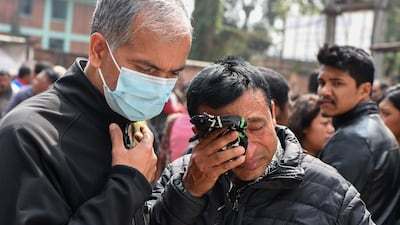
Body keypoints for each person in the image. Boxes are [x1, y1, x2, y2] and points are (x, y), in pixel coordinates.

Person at [0, 0, 192, 224]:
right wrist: (127, 185)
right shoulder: (29, 135)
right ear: (98, 50)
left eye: (173, 74)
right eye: (146, 69)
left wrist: (191, 189)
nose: (160, 85)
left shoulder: (135, 127)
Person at [148, 56, 374, 225]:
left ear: (273, 113)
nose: (247, 150)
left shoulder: (333, 193)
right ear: (199, 130)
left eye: (256, 127)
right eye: (224, 134)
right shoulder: (177, 177)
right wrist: (187, 193)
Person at [317, 44, 400, 225]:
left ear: (364, 90)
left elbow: (324, 212)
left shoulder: (353, 139)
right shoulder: (374, 129)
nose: (324, 91)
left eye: (337, 83)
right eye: (322, 82)